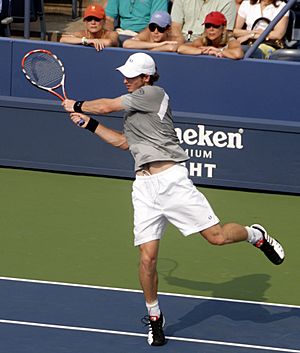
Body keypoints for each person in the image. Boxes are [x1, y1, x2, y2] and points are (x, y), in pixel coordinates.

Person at [62, 52, 285, 347]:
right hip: (144, 188)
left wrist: (76, 104)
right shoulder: (134, 113)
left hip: (172, 182)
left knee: (216, 237)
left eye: (132, 75)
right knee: (147, 258)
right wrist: (88, 124)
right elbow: (124, 143)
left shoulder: (153, 94)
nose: (126, 79)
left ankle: (254, 234)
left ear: (147, 77)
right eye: (125, 75)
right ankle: (155, 318)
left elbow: (105, 106)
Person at [178, 12, 244, 59]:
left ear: (223, 28)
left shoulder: (231, 41)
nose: (211, 29)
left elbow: (237, 54)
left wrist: (218, 50)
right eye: (208, 26)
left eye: (215, 26)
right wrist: (207, 52)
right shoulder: (202, 40)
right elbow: (181, 49)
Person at [171, 0, 236, 42]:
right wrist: (179, 42)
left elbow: (225, 32)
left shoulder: (228, 2)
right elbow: (175, 26)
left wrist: (197, 44)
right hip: (181, 41)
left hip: (208, 45)